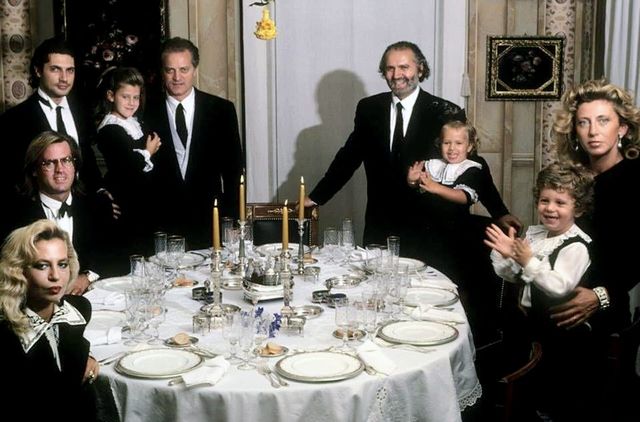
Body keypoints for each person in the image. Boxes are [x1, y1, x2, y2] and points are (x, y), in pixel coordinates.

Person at [303, 40, 521, 249]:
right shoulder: (369, 108)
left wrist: (500, 212)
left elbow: (473, 166)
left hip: (433, 230)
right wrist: (315, 198)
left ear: (420, 69)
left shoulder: (445, 111)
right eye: (390, 68)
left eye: (404, 67)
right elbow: (348, 159)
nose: (397, 75)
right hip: (381, 225)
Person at [551, 79, 640, 418]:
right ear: (574, 130)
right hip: (562, 294)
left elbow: (636, 258)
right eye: (583, 122)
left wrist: (600, 296)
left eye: (603, 120)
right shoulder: (573, 179)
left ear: (623, 128)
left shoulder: (635, 178)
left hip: (605, 308)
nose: (593, 131)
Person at [485, 161, 602, 421]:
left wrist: (527, 260)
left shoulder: (576, 245)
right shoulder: (537, 235)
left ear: (578, 208)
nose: (550, 208)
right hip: (532, 324)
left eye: (560, 203)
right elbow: (515, 276)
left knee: (551, 396)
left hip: (561, 336)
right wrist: (510, 256)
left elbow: (558, 287)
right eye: (544, 200)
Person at [144, 37, 243, 250]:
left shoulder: (221, 110)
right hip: (160, 224)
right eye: (170, 70)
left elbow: (234, 172)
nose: (177, 77)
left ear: (195, 70)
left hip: (209, 222)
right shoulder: (145, 112)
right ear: (162, 71)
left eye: (184, 69)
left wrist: (232, 220)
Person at [0, 219, 99, 420]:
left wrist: (89, 359)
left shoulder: (79, 309)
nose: (55, 276)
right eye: (42, 266)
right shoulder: (6, 335)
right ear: (19, 271)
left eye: (62, 264)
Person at [0, 132, 115, 293]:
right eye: (49, 163)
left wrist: (87, 276)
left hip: (92, 298)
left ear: (75, 165)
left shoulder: (98, 205)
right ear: (34, 170)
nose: (60, 169)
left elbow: (116, 253)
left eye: (66, 160)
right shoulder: (13, 215)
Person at [0, 37, 106, 204]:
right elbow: (12, 176)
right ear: (38, 71)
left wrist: (100, 190)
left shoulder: (82, 110)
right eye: (55, 69)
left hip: (83, 206)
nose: (64, 78)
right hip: (36, 210)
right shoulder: (14, 119)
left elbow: (87, 157)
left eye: (70, 70)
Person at [96, 67, 161, 258]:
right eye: (125, 97)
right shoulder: (110, 129)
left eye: (136, 97)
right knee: (132, 251)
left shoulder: (135, 122)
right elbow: (128, 167)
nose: (132, 103)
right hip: (125, 198)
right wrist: (148, 152)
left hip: (143, 198)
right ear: (111, 96)